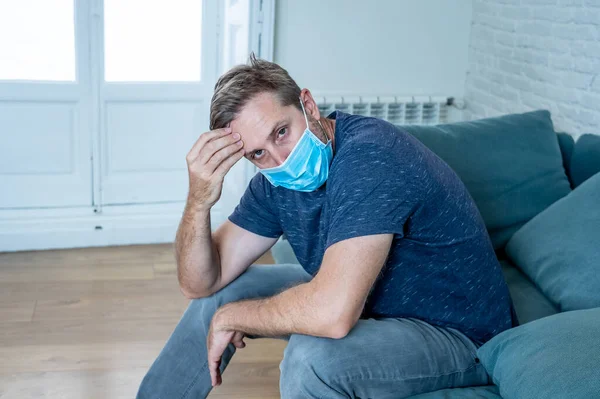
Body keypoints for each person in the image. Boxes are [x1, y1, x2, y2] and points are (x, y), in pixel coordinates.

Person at [136, 54, 515, 399]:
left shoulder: (370, 157)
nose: (280, 158)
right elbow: (198, 282)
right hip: (372, 303)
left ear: (309, 105)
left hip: (460, 336)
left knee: (311, 357)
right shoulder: (276, 182)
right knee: (221, 295)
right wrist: (198, 201)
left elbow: (333, 314)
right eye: (257, 153)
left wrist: (233, 317)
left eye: (281, 131)